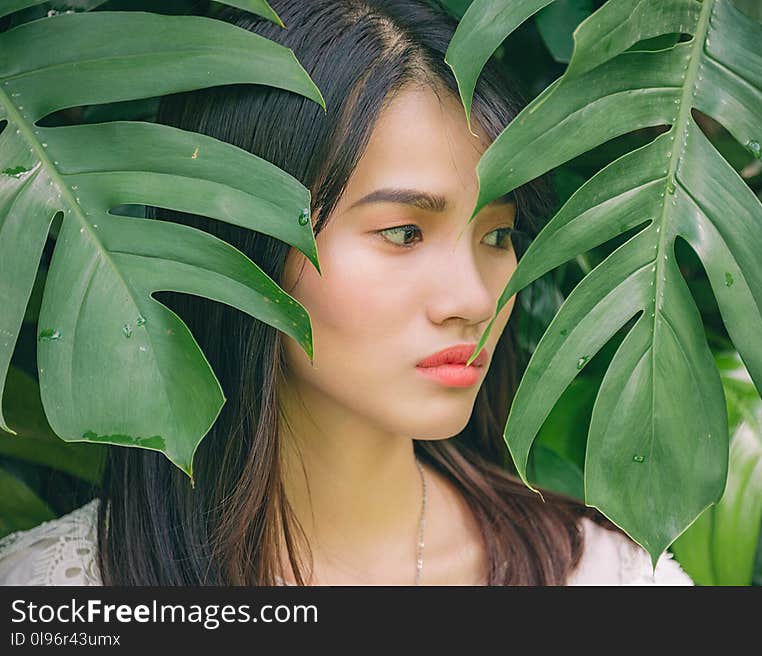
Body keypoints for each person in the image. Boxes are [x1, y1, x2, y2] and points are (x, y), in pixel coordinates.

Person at [0, 0, 691, 586]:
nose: (474, 300)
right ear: (243, 238)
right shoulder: (57, 587)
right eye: (403, 234)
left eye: (498, 235)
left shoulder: (602, 577)